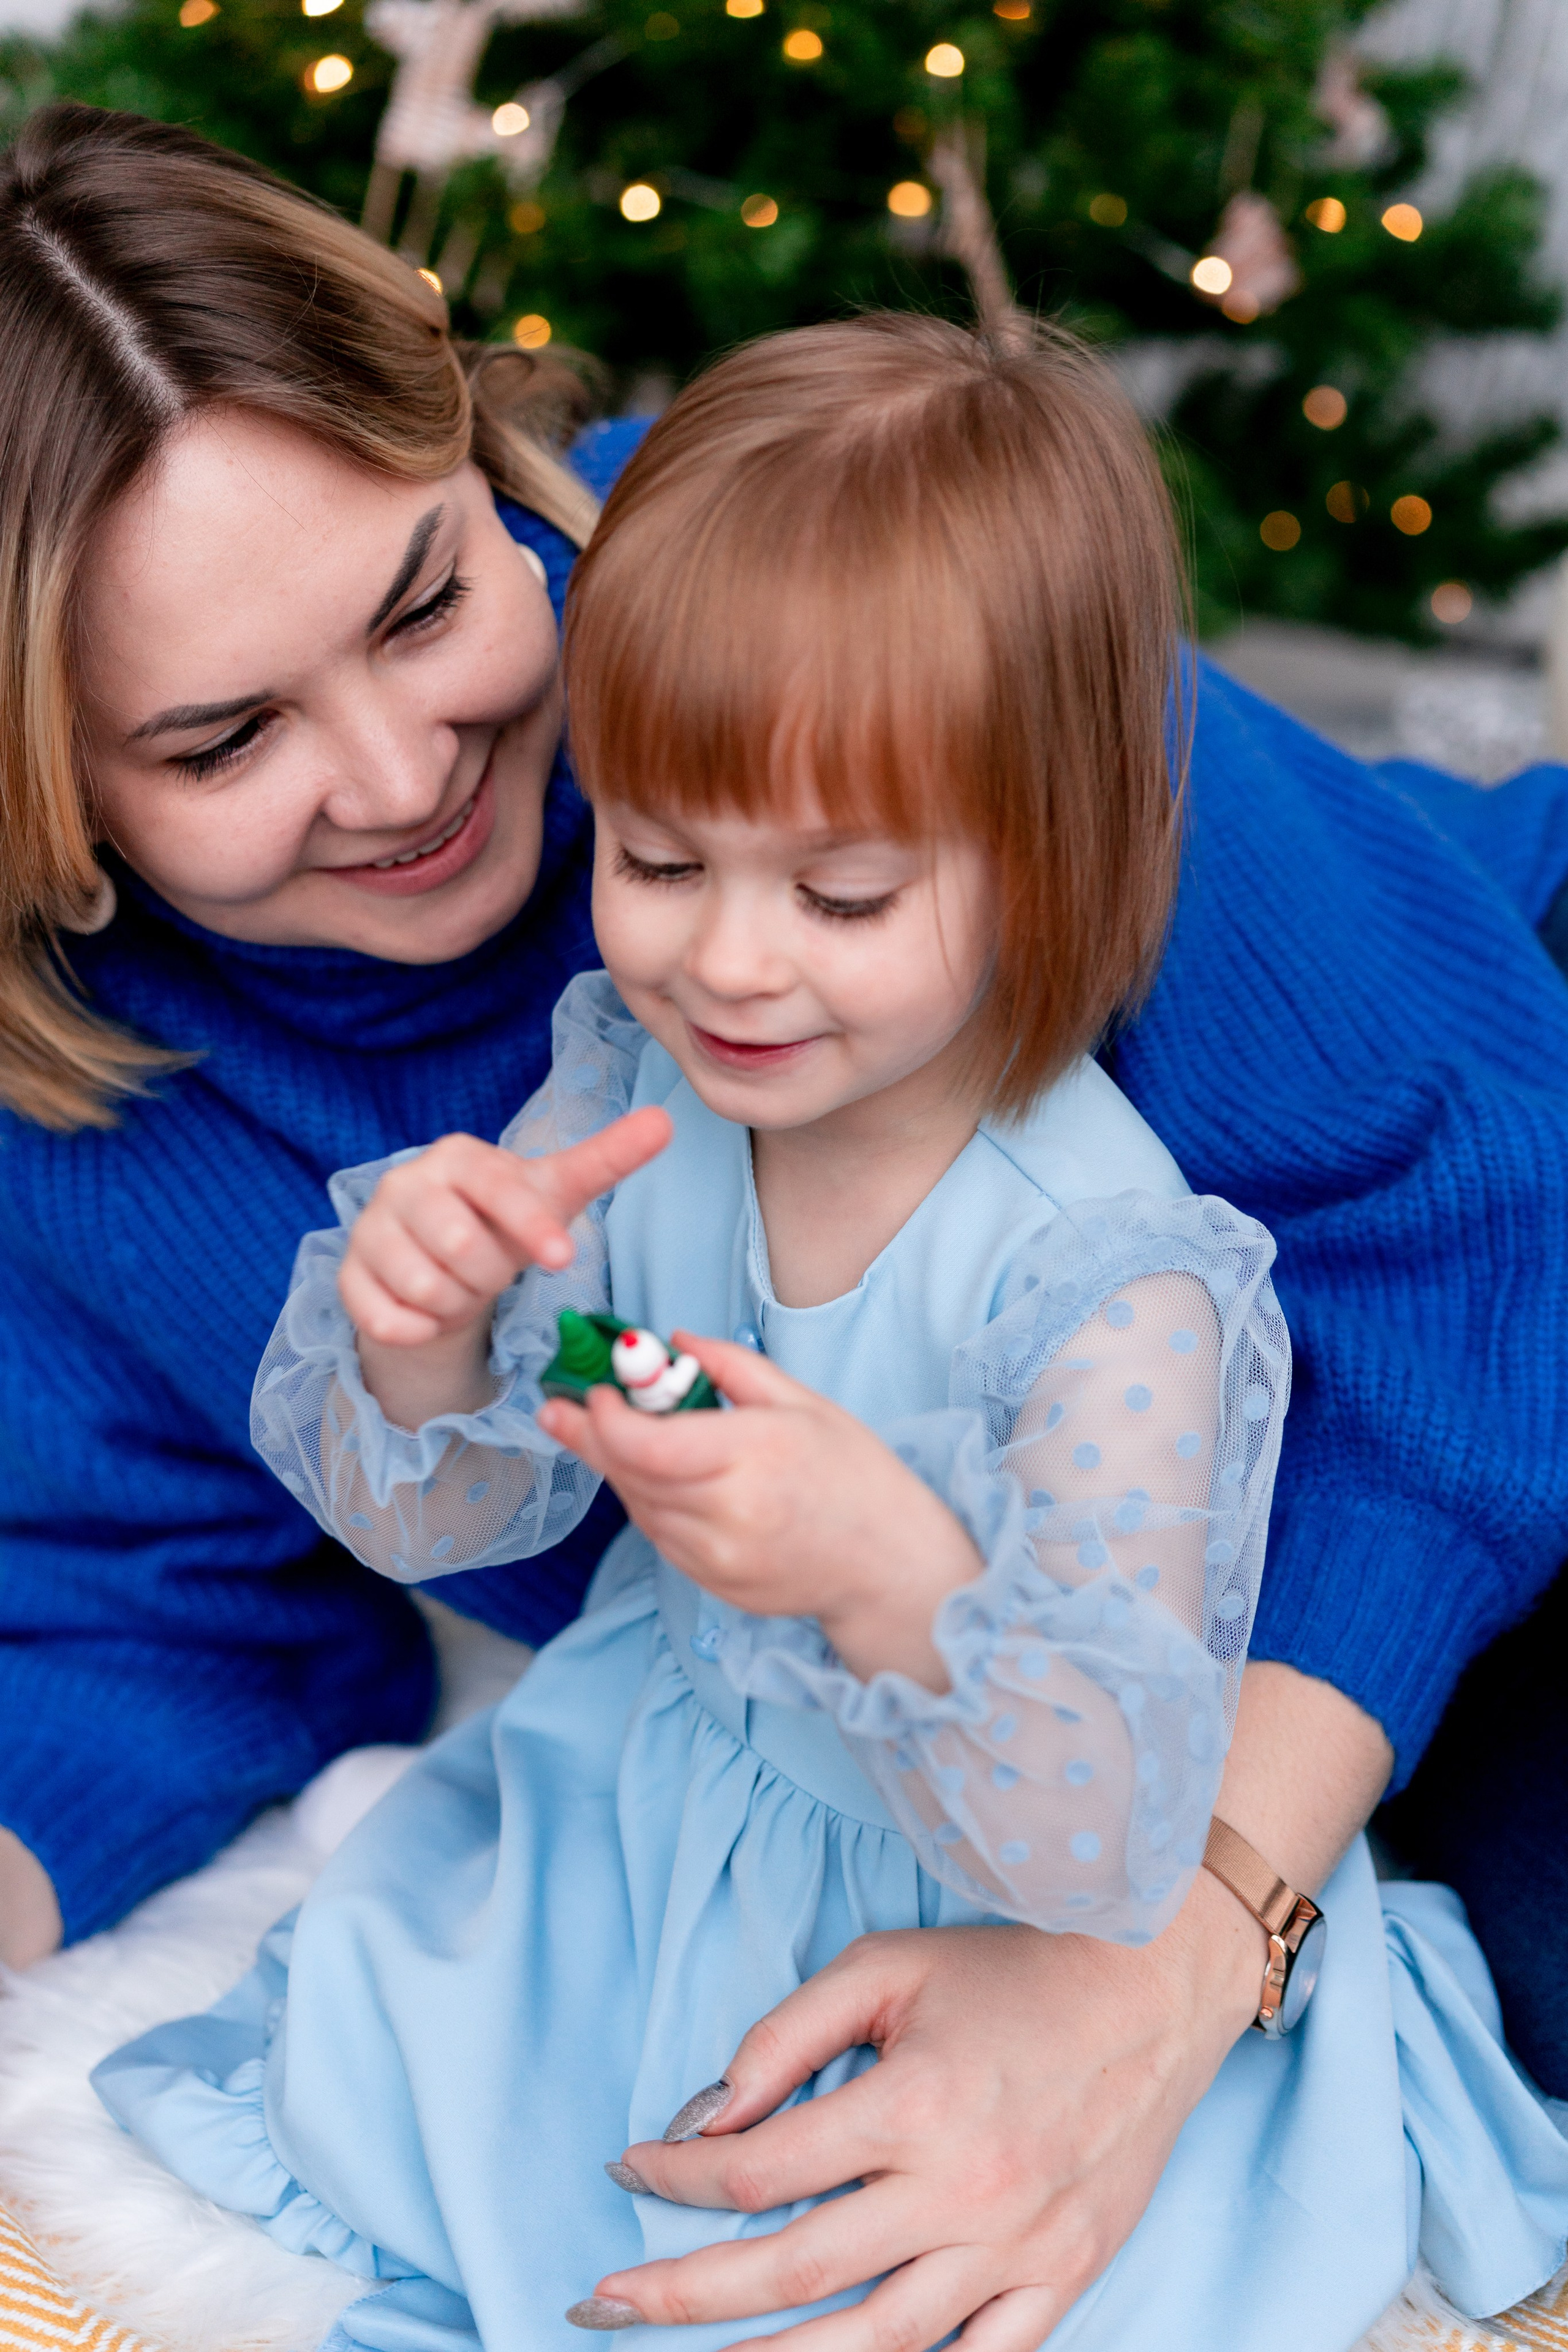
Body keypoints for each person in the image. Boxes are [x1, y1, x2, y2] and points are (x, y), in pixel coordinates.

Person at [3, 97, 1568, 2352]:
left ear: (480, 447)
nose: (408, 777)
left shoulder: (852, 590)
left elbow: (1479, 1219)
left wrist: (1177, 1959)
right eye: (225, 739)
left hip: (1490, 1219)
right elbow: (166, 1609)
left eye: (430, 598)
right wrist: (433, 1363)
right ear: (46, 796)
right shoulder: (118, 1094)